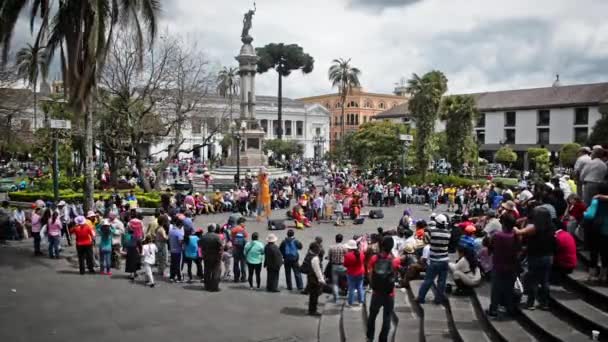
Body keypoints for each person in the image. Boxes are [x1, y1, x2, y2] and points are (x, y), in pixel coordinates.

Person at [515, 207, 556, 310]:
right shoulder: (552, 227)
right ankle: (545, 303)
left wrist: (517, 226)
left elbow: (518, 232)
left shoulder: (534, 227)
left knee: (533, 280)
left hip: (535, 256)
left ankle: (531, 303)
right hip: (548, 256)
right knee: (545, 281)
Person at [366, 236, 401, 342]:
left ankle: (370, 336)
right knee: (387, 318)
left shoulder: (374, 259)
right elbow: (396, 274)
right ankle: (383, 339)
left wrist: (373, 285)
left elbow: (369, 274)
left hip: (377, 293)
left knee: (372, 316)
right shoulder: (395, 260)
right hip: (389, 294)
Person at [486, 213, 520, 319]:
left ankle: (493, 309)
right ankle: (509, 309)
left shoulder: (497, 236)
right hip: (512, 266)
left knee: (496, 289)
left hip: (498, 266)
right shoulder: (516, 236)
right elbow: (519, 250)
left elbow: (489, 248)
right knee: (509, 289)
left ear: (503, 224)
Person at [417, 214, 451, 305]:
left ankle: (421, 298)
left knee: (428, 280)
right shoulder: (448, 233)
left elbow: (426, 241)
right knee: (442, 281)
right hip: (444, 260)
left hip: (434, 259)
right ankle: (438, 299)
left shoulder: (431, 232)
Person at [582, 186, 608, 283]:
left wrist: (585, 212)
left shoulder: (596, 201)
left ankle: (592, 276)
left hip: (597, 230)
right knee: (605, 253)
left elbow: (589, 215)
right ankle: (603, 275)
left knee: (594, 252)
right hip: (606, 230)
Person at [303, 242, 325, 316]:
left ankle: (311, 309)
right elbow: (317, 270)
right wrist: (321, 279)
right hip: (314, 278)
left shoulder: (309, 255)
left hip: (310, 277)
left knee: (312, 294)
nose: (319, 250)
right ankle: (313, 310)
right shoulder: (315, 258)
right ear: (315, 249)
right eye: (318, 248)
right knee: (314, 295)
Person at [200, 224, 223, 291]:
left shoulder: (204, 236)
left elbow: (199, 244)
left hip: (206, 255)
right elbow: (221, 245)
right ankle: (214, 287)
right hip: (216, 256)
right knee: (215, 271)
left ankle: (207, 286)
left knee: (207, 271)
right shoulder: (217, 236)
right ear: (213, 229)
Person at [343, 239, 365, 308]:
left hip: (351, 273)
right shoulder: (361, 254)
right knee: (360, 287)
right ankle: (361, 301)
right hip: (360, 272)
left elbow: (345, 265)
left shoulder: (347, 255)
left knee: (351, 288)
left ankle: (350, 302)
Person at [328, 234, 347, 302]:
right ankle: (345, 291)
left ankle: (336, 297)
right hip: (343, 266)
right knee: (345, 280)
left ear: (335, 239)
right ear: (341, 239)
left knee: (335, 283)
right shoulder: (344, 247)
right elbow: (347, 256)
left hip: (334, 266)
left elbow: (329, 258)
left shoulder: (331, 247)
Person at [231, 217, 249, 283]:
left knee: (235, 263)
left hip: (235, 248)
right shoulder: (243, 230)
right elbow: (246, 241)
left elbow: (231, 238)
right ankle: (243, 278)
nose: (245, 224)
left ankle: (236, 278)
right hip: (242, 249)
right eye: (244, 223)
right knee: (243, 264)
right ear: (241, 223)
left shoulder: (233, 229)